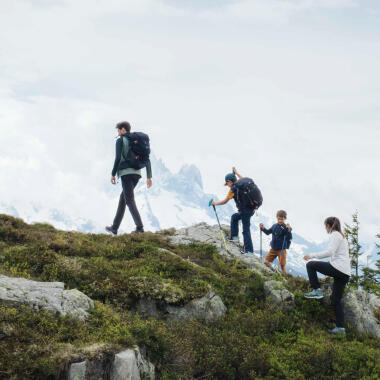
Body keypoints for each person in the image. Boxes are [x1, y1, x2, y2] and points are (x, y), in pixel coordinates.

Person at [303, 217, 351, 335]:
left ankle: (316, 290)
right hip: (344, 273)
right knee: (335, 300)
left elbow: (330, 252)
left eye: (325, 226)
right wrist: (328, 273)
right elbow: (337, 256)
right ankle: (340, 328)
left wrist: (312, 255)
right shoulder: (342, 236)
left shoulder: (335, 235)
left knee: (310, 265)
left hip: (338, 269)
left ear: (329, 226)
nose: (325, 228)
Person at [106, 121, 152, 235]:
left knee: (129, 201)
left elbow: (117, 158)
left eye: (118, 130)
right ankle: (114, 227)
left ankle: (140, 228)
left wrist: (113, 174)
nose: (118, 133)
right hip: (137, 174)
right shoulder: (135, 141)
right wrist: (149, 176)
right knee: (123, 198)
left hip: (126, 173)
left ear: (123, 129)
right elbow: (147, 158)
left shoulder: (120, 140)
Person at [211, 168, 255, 255]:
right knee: (234, 217)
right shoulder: (243, 184)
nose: (227, 185)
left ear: (230, 181)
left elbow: (225, 201)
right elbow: (244, 179)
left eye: (227, 183)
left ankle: (249, 251)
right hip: (251, 209)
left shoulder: (233, 190)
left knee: (246, 230)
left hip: (245, 211)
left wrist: (214, 203)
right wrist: (237, 173)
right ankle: (234, 238)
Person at [259, 210, 292, 274]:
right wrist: (262, 228)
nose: (280, 220)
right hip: (273, 248)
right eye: (279, 219)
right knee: (266, 261)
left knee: (282, 265)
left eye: (282, 219)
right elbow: (268, 232)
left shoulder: (286, 227)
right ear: (277, 217)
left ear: (285, 219)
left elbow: (289, 237)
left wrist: (288, 230)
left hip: (281, 250)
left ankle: (284, 278)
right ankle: (274, 272)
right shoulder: (274, 226)